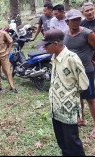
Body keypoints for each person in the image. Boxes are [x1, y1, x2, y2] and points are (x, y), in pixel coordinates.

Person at [39, 29, 88, 156]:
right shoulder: (54, 57)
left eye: (46, 45)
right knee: (62, 142)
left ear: (55, 44)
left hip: (68, 109)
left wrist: (69, 96)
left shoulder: (71, 58)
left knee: (73, 143)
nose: (44, 48)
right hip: (55, 108)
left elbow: (83, 84)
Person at [64, 9, 95, 137]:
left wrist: (92, 59)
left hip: (86, 71)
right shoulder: (65, 34)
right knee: (77, 97)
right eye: (73, 20)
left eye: (78, 19)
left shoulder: (88, 34)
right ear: (67, 22)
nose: (77, 22)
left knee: (90, 99)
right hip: (72, 72)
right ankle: (81, 119)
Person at [79, 2, 95, 127]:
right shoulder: (82, 25)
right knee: (84, 93)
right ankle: (81, 119)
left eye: (91, 9)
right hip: (89, 61)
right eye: (87, 10)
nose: (89, 12)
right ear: (83, 13)